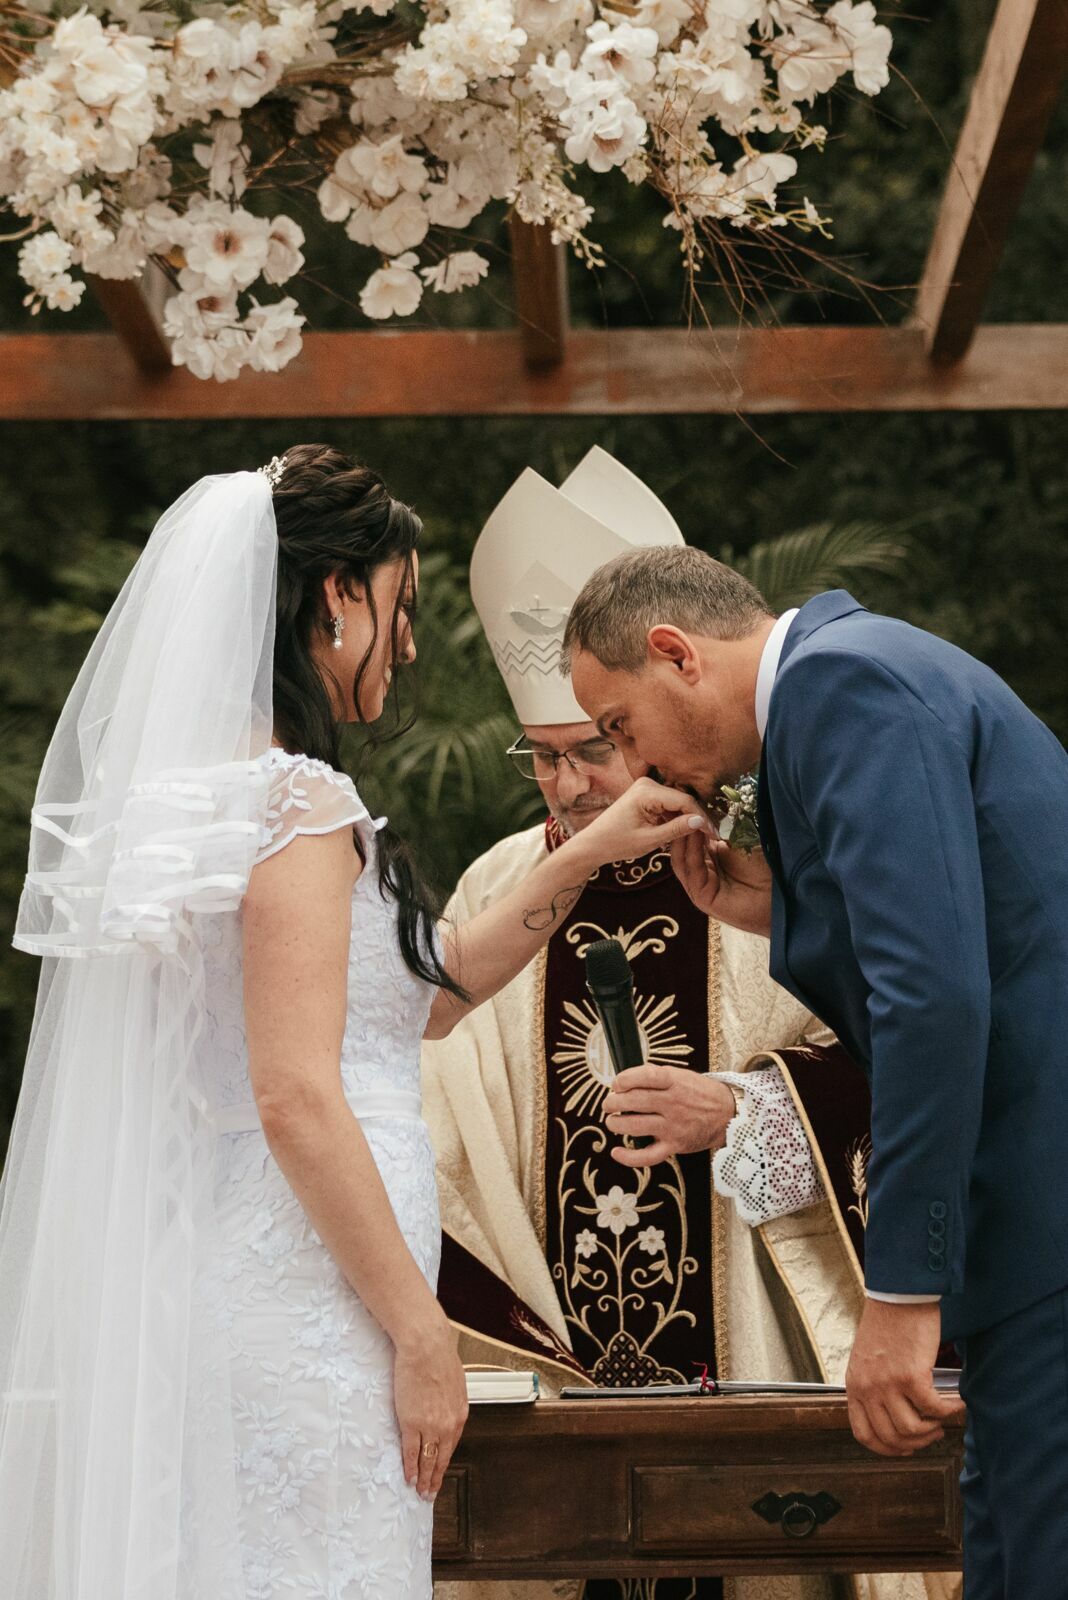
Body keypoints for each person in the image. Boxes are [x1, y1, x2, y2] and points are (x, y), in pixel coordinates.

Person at [0, 446, 707, 1600]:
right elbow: (295, 1093)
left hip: (262, 1273)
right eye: (401, 604)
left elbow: (435, 993)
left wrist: (590, 844)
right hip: (306, 1306)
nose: (412, 642)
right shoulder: (297, 803)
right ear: (337, 596)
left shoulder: (211, 797)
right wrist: (420, 1333)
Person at [425, 451, 956, 1600]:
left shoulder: (765, 861)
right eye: (545, 756)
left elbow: (916, 1041)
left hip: (752, 1364)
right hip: (558, 1376)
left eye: (595, 745)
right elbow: (441, 1117)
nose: (568, 787)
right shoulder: (497, 889)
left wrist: (751, 1109)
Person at [560, 545, 1068, 1599]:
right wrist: (773, 911)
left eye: (618, 725)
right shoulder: (854, 677)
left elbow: (935, 997)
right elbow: (963, 922)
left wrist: (901, 1290)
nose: (634, 761)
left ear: (674, 654)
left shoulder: (844, 686)